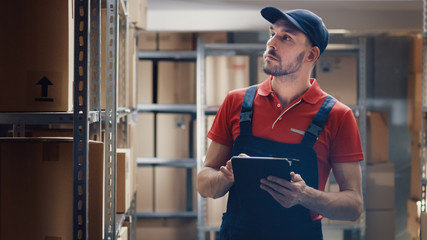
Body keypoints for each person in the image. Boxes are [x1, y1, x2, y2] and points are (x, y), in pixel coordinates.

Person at [197, 6, 364, 240]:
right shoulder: (236, 101)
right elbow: (204, 181)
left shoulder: (338, 115)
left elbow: (354, 205)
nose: (271, 43)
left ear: (311, 55)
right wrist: (224, 178)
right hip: (238, 233)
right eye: (272, 33)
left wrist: (305, 196)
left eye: (286, 37)